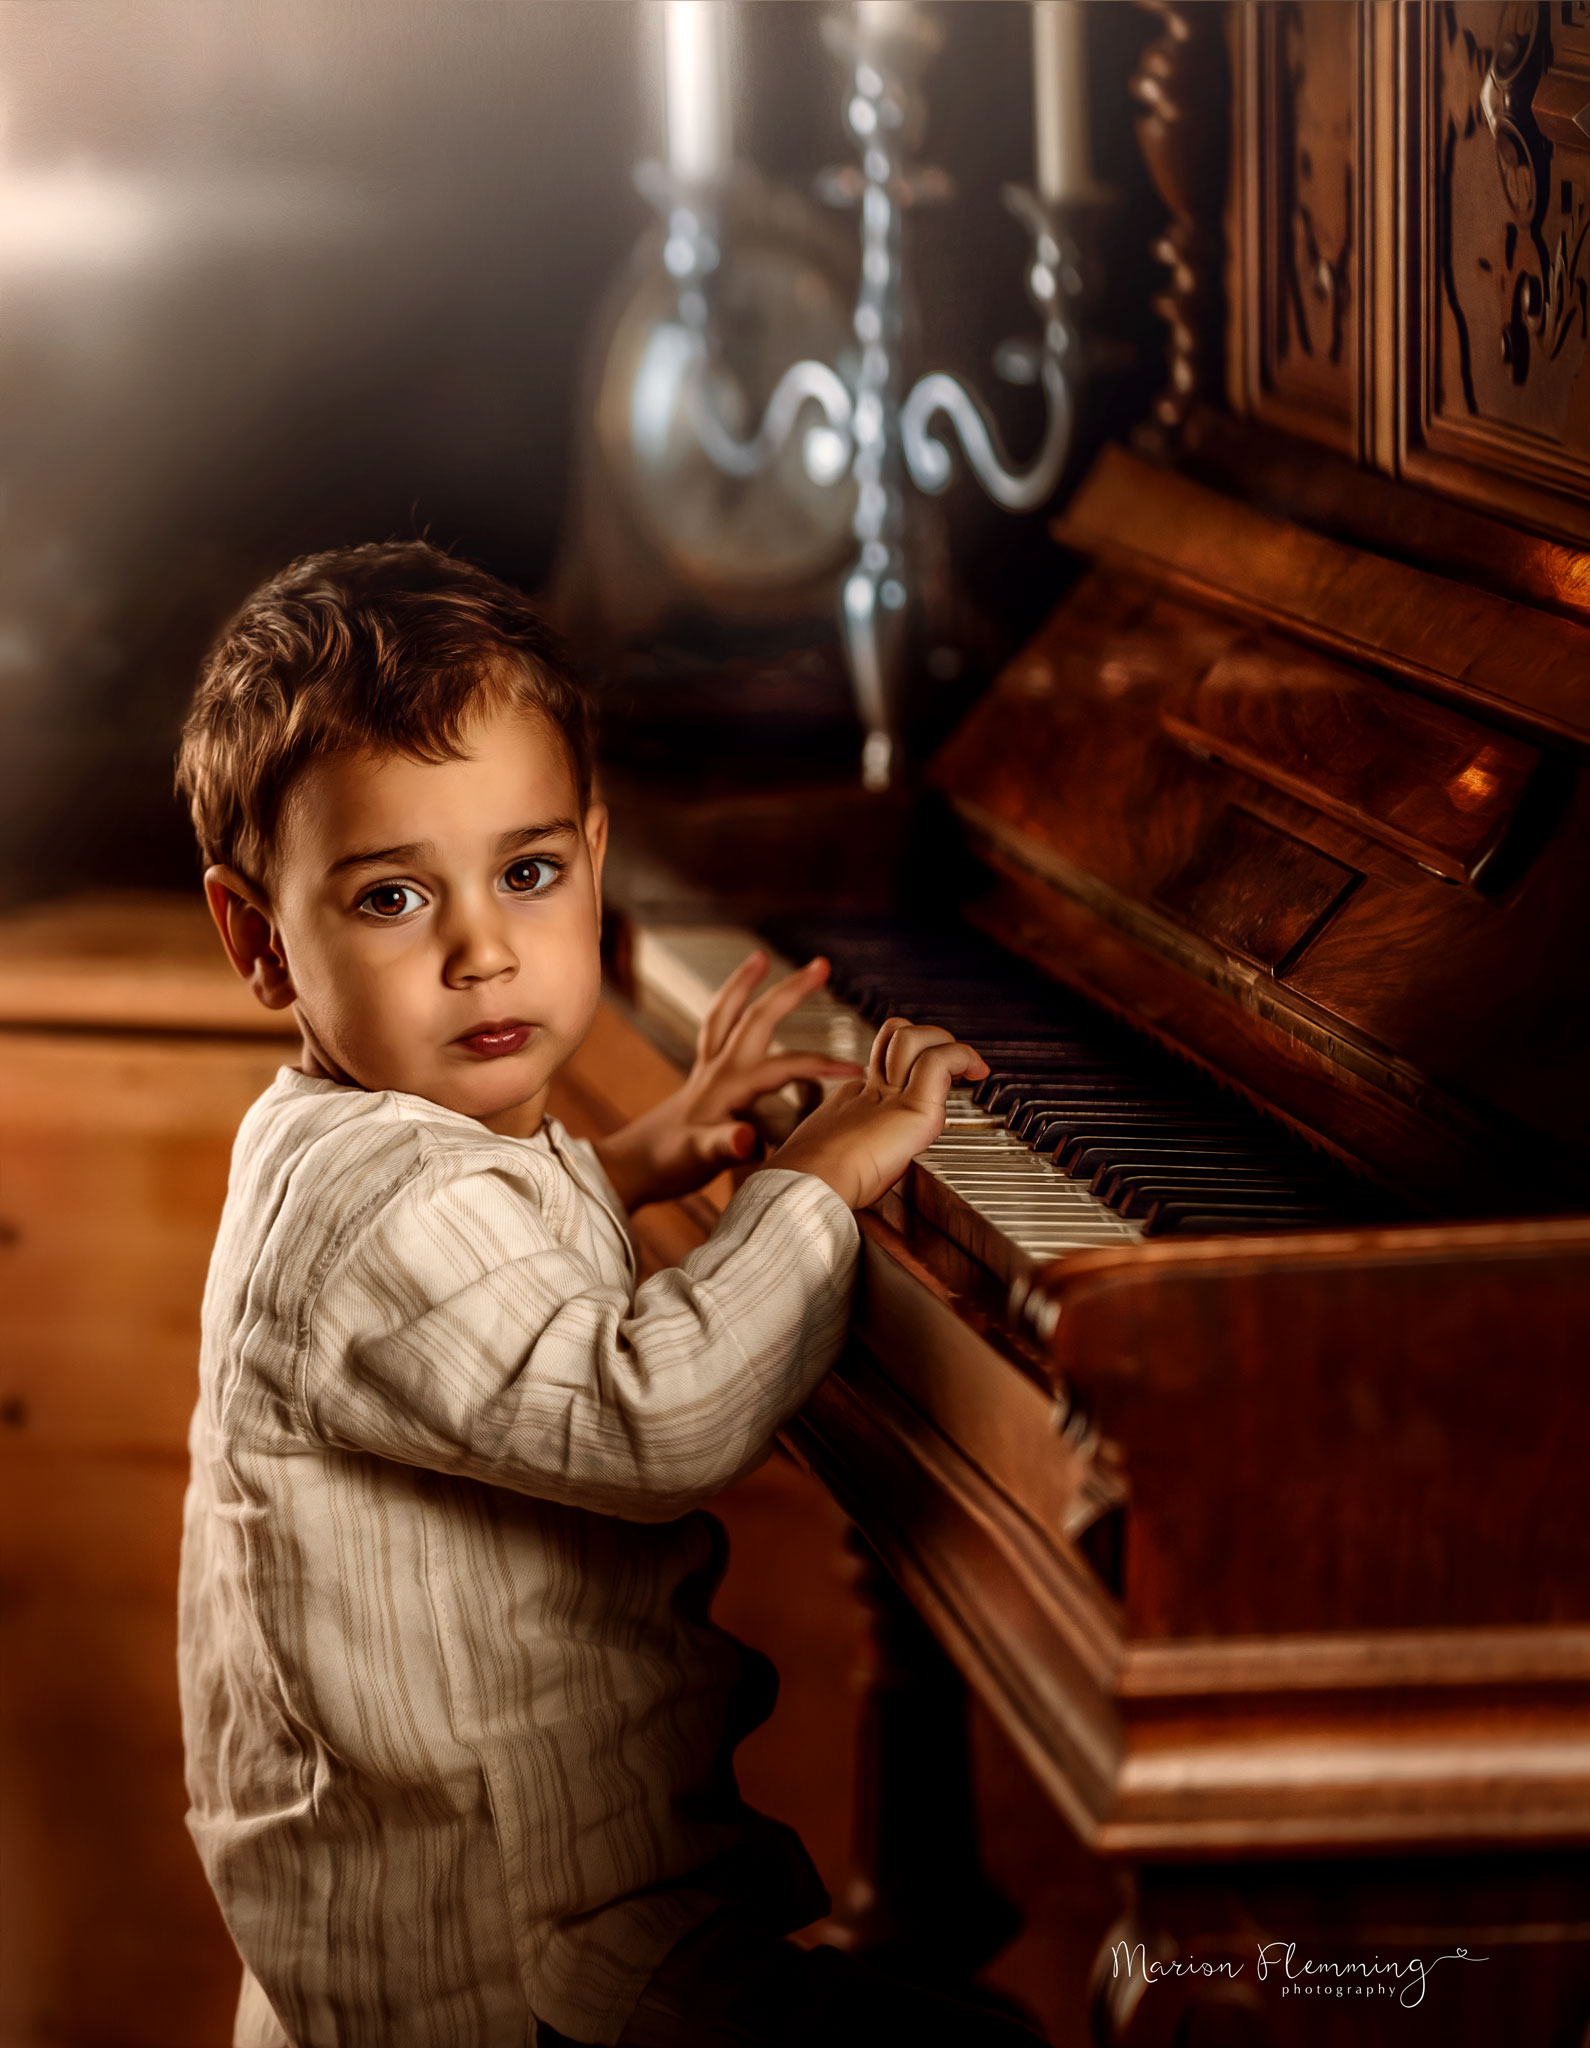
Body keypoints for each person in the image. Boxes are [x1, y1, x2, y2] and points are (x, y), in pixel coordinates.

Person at [175, 541, 1036, 2048]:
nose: (481, 949)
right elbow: (657, 1414)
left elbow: (479, 1291)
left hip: (449, 1904)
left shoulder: (348, 1138)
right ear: (259, 941)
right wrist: (813, 1187)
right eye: (390, 898)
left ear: (591, 845)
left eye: (527, 872)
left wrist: (633, 1161)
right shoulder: (388, 1199)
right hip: (514, 1963)